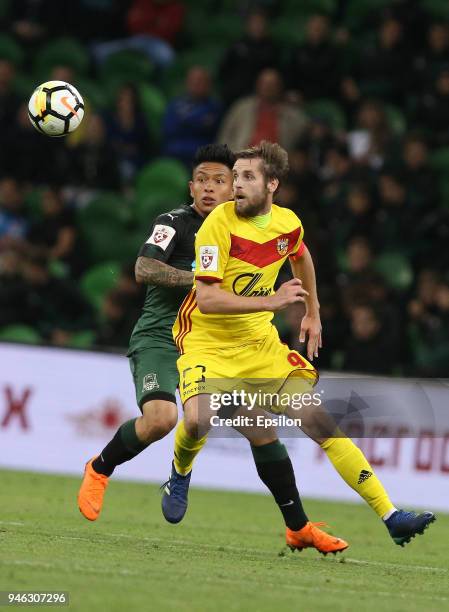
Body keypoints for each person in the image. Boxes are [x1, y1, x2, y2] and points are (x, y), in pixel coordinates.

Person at [162, 140, 435, 547]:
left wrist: (314, 312)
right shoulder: (217, 224)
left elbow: (300, 255)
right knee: (199, 421)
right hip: (206, 343)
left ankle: (391, 515)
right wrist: (271, 301)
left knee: (321, 422)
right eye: (235, 176)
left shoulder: (287, 223)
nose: (236, 184)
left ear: (272, 184)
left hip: (258, 347)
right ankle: (180, 473)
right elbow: (207, 298)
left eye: (247, 177)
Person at [78, 143, 348, 555]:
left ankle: (300, 527)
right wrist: (204, 280)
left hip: (219, 345)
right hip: (162, 338)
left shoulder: (244, 230)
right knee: (162, 418)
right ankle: (100, 468)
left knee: (261, 428)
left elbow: (299, 257)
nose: (209, 189)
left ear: (234, 188)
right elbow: (143, 268)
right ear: (190, 187)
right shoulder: (174, 222)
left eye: (219, 181)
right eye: (201, 180)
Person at [217, 68, 307, 153]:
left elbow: (305, 129)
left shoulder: (290, 113)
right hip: (241, 160)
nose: (268, 88)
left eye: (272, 85)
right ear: (257, 85)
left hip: (275, 163)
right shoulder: (242, 107)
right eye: (265, 84)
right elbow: (224, 136)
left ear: (280, 87)